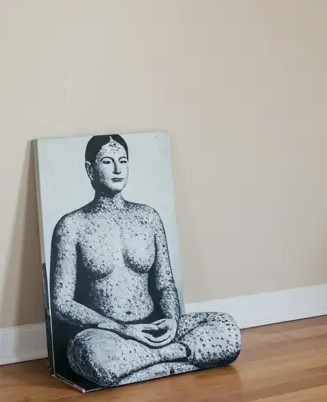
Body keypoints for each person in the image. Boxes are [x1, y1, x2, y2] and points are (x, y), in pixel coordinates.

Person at [49, 134, 240, 387]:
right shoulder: (72, 225)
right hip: (108, 334)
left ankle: (147, 364)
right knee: (95, 358)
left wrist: (172, 320)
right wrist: (121, 329)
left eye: (123, 161)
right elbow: (61, 303)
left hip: (155, 326)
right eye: (107, 162)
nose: (118, 169)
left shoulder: (148, 217)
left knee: (227, 329)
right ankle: (176, 361)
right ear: (90, 169)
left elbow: (165, 284)